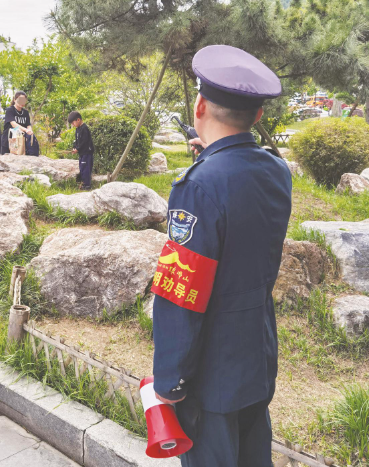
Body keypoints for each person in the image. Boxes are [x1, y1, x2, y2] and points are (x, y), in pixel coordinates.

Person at [149, 45, 292, 466]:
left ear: (199, 105)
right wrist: (211, 160)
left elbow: (180, 293)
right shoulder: (276, 170)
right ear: (259, 115)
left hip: (211, 375)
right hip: (257, 355)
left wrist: (169, 379)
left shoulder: (197, 187)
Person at [1, 91, 39, 156]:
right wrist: (26, 130)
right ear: (14, 100)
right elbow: (13, 124)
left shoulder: (25, 112)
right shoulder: (10, 110)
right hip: (10, 139)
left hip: (21, 140)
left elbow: (28, 125)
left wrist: (29, 130)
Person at [68, 111, 94, 190]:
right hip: (82, 153)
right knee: (82, 167)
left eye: (73, 123)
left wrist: (78, 149)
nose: (73, 125)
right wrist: (75, 147)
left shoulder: (84, 128)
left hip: (87, 152)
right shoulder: (77, 129)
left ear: (78, 120)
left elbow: (84, 141)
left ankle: (87, 185)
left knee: (86, 168)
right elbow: (77, 140)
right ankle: (83, 183)